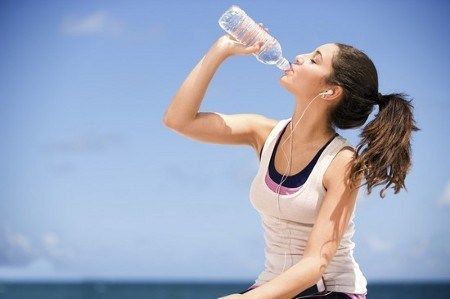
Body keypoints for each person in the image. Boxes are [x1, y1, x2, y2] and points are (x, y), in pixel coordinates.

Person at [163, 24, 419, 299]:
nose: (299, 56)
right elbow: (179, 120)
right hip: (272, 286)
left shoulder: (341, 162)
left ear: (330, 91)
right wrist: (221, 50)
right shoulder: (262, 133)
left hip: (331, 290)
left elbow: (315, 264)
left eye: (314, 59)